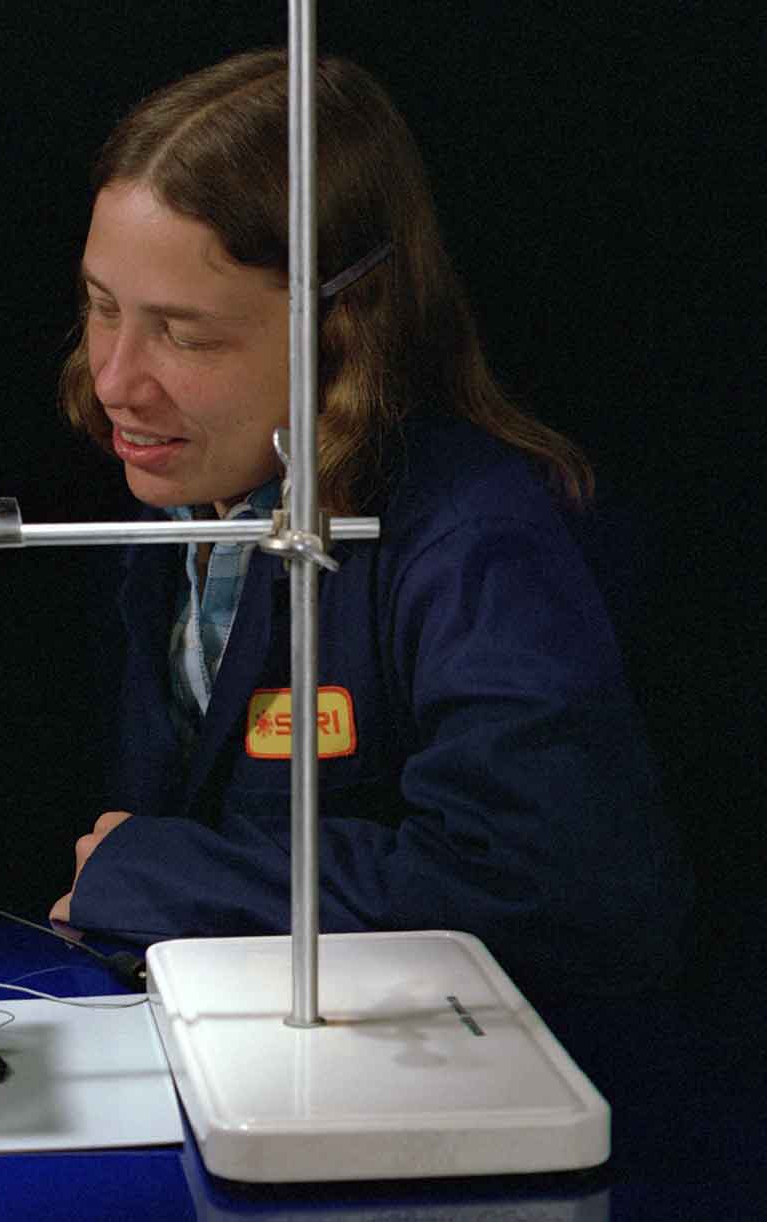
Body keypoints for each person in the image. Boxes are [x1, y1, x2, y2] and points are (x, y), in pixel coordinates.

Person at [47, 49, 690, 995]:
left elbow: (552, 889)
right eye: (103, 309)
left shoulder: (474, 540)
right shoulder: (180, 498)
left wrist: (159, 876)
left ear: (346, 328)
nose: (114, 382)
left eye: (185, 333)